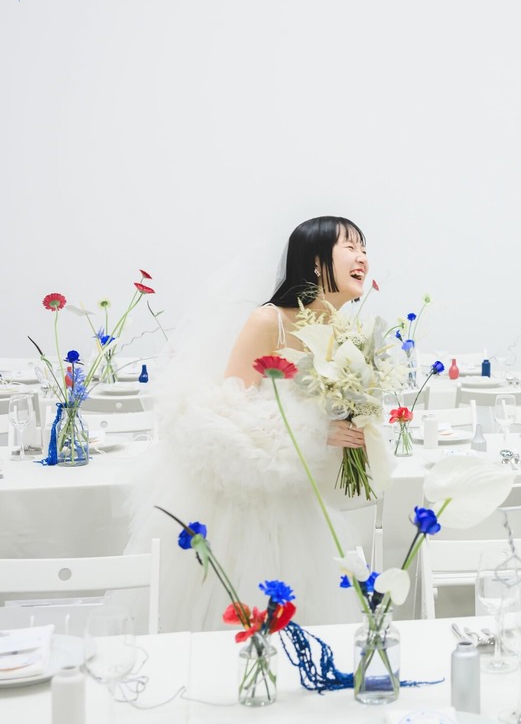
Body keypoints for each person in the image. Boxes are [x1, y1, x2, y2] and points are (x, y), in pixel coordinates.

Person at [121, 216, 392, 631]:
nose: (362, 258)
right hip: (248, 510)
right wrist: (317, 434)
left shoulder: (345, 334)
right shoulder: (269, 321)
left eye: (365, 249)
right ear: (315, 262)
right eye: (350, 247)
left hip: (301, 501)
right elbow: (224, 415)